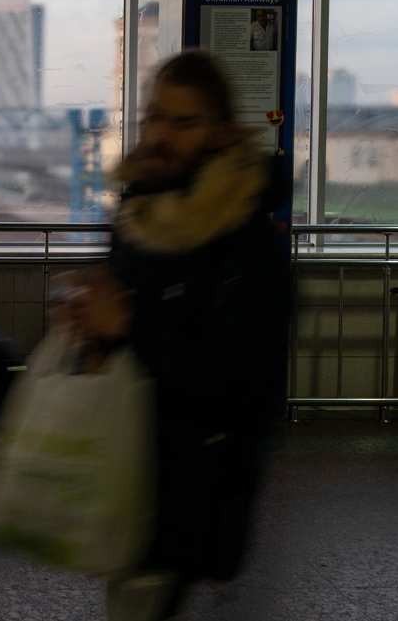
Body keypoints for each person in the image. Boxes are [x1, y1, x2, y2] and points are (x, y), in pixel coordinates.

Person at [61, 50, 288, 620]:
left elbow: (239, 383)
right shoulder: (140, 215)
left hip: (189, 489)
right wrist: (96, 328)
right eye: (156, 117)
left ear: (222, 133)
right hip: (128, 469)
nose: (161, 135)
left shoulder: (247, 245)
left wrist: (127, 324)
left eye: (184, 122)